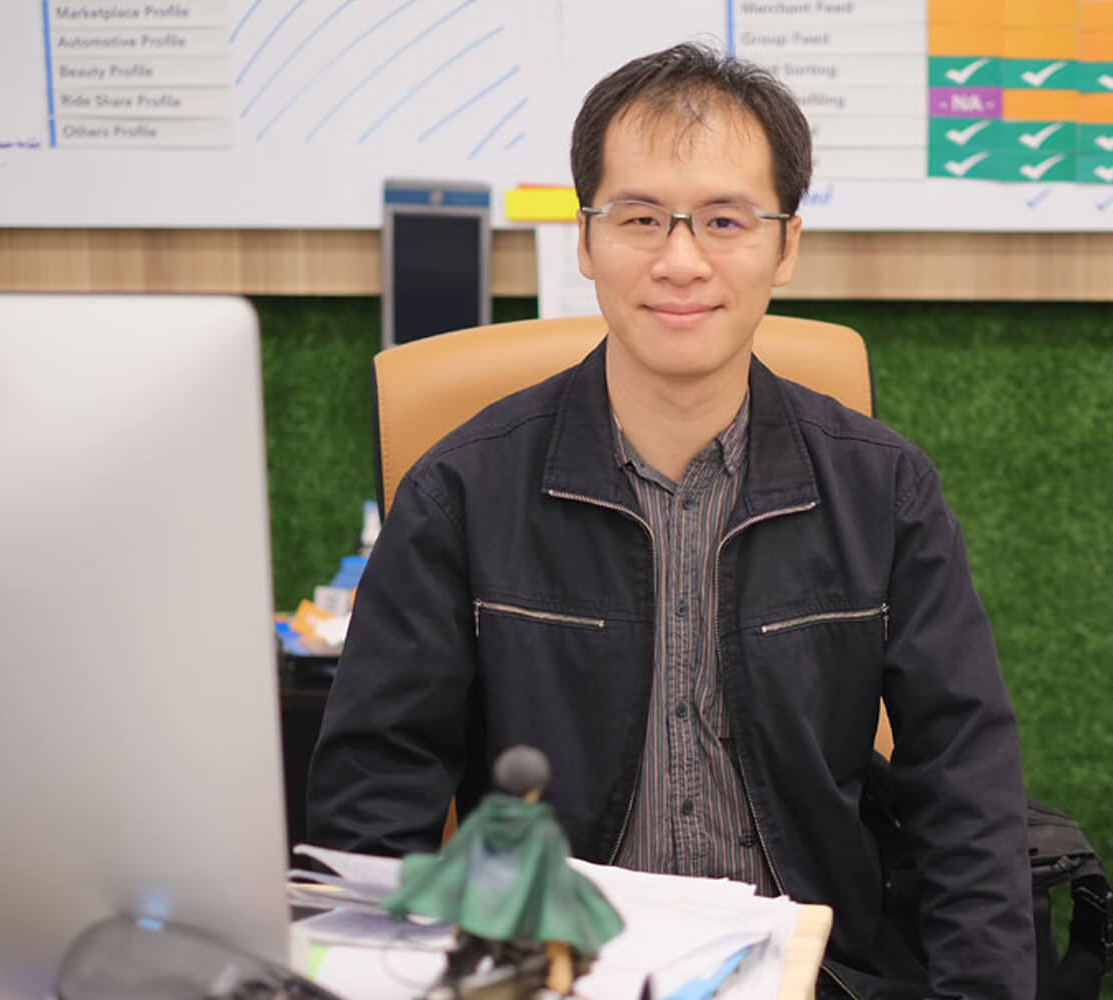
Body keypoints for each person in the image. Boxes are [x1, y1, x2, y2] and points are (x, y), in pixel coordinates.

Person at [309, 43, 1035, 999]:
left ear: (786, 244)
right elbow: (372, 803)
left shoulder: (885, 489)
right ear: (585, 239)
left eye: (726, 220)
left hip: (815, 978)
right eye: (641, 217)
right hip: (549, 977)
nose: (680, 259)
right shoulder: (462, 490)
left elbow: (965, 786)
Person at [381, 745, 623, 996]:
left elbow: (458, 861)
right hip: (518, 916)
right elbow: (553, 886)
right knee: (552, 935)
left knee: (472, 942)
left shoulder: (482, 820)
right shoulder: (542, 832)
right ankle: (544, 969)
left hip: (483, 907)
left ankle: (457, 975)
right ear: (536, 790)